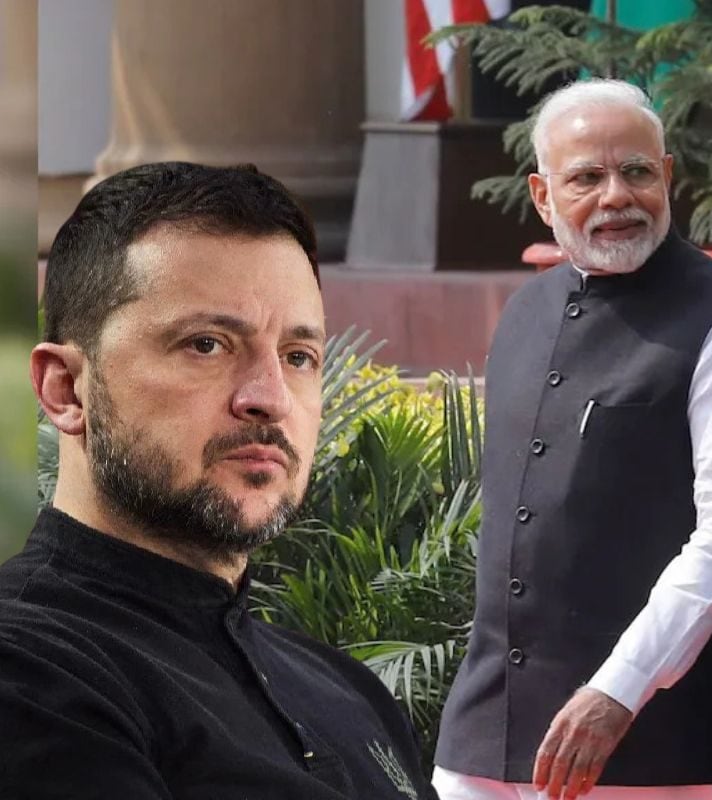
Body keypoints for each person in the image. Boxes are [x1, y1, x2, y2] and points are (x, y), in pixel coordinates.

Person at [0, 162, 437, 800]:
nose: (270, 398)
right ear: (65, 389)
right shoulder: (29, 671)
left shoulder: (351, 692)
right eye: (206, 345)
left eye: (298, 357)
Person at [433, 79, 712, 800]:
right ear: (542, 197)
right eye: (586, 178)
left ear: (668, 177)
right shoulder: (523, 313)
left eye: (635, 171)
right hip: (490, 734)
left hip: (662, 745)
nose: (616, 196)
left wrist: (618, 689)